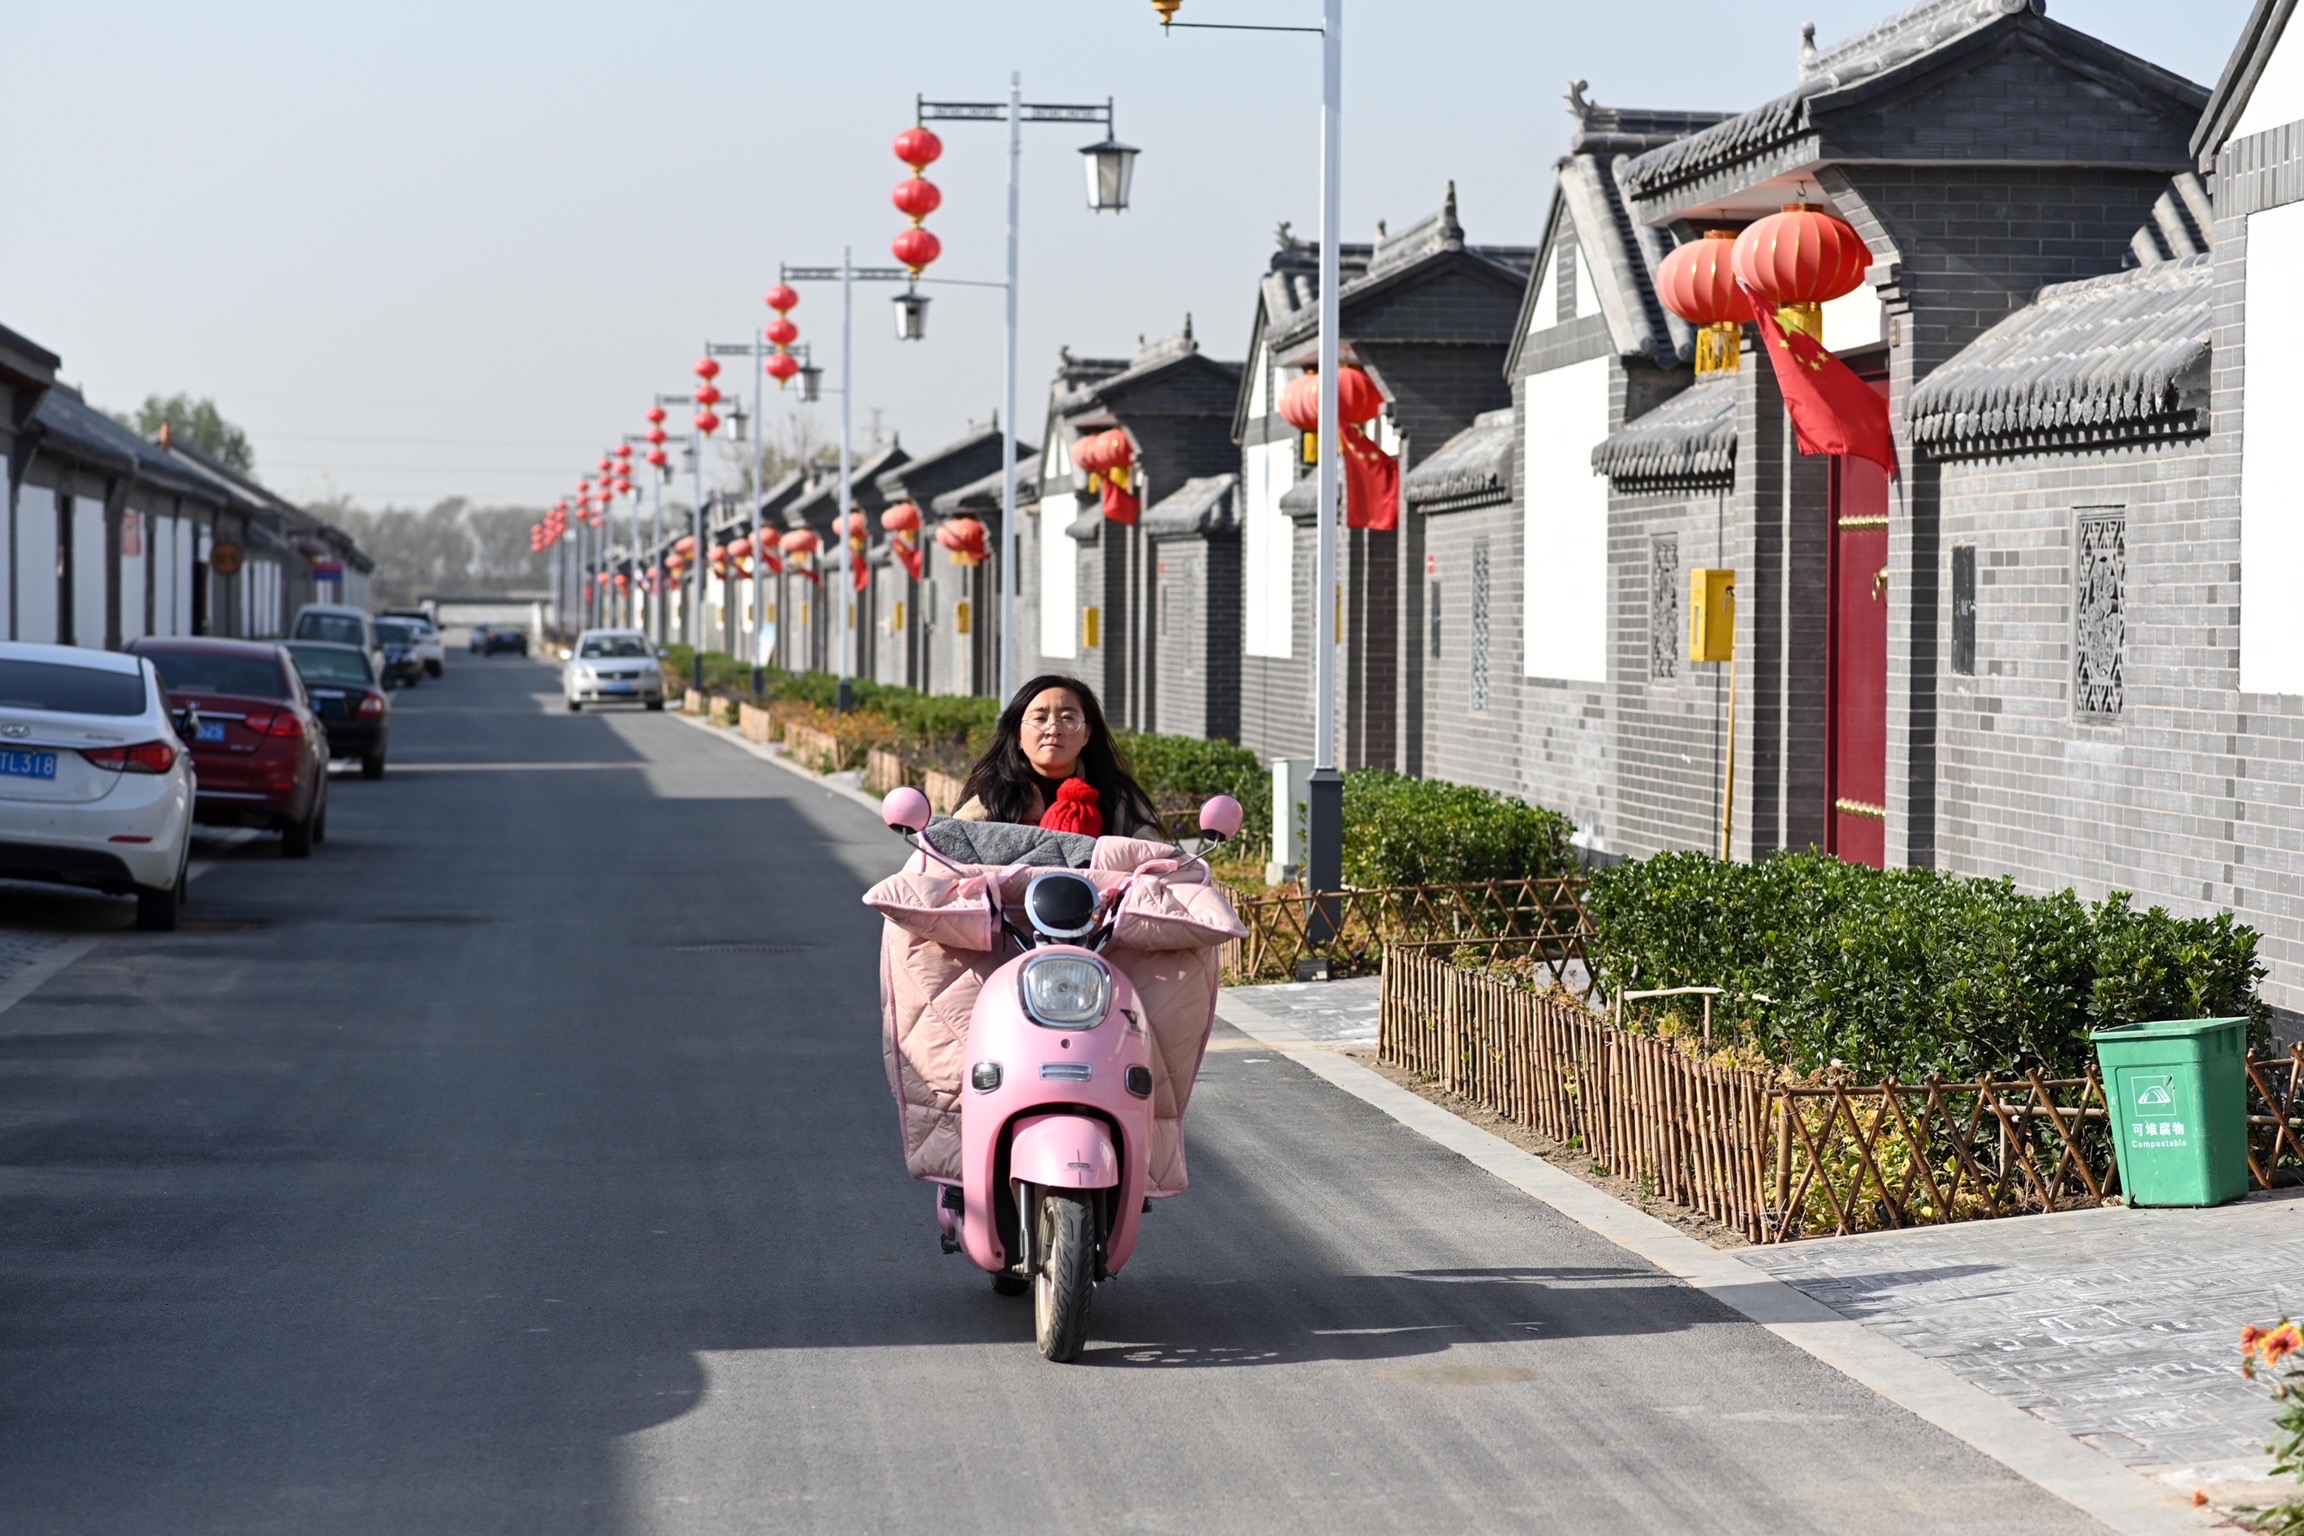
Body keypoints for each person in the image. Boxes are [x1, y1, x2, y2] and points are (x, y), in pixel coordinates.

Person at [953, 674, 1164, 840]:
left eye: (1067, 718)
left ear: (1087, 734)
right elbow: (948, 851)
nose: (1053, 729)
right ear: (1018, 734)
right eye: (1040, 718)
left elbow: (1153, 858)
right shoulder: (994, 796)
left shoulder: (1116, 796)